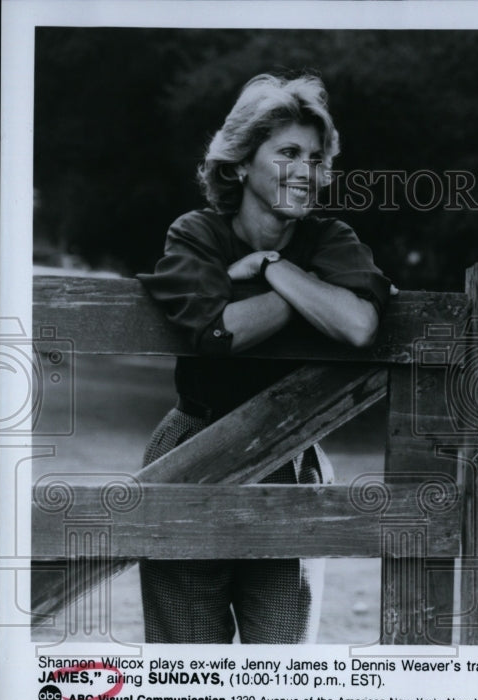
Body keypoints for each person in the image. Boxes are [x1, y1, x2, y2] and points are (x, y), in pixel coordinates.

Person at [137, 73, 391, 643]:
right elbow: (221, 332)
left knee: (278, 671)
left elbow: (357, 325)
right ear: (239, 164)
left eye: (316, 157)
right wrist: (307, 295)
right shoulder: (197, 233)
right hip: (191, 449)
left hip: (293, 458)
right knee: (185, 675)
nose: (306, 170)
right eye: (288, 153)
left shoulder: (329, 240)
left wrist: (273, 269)